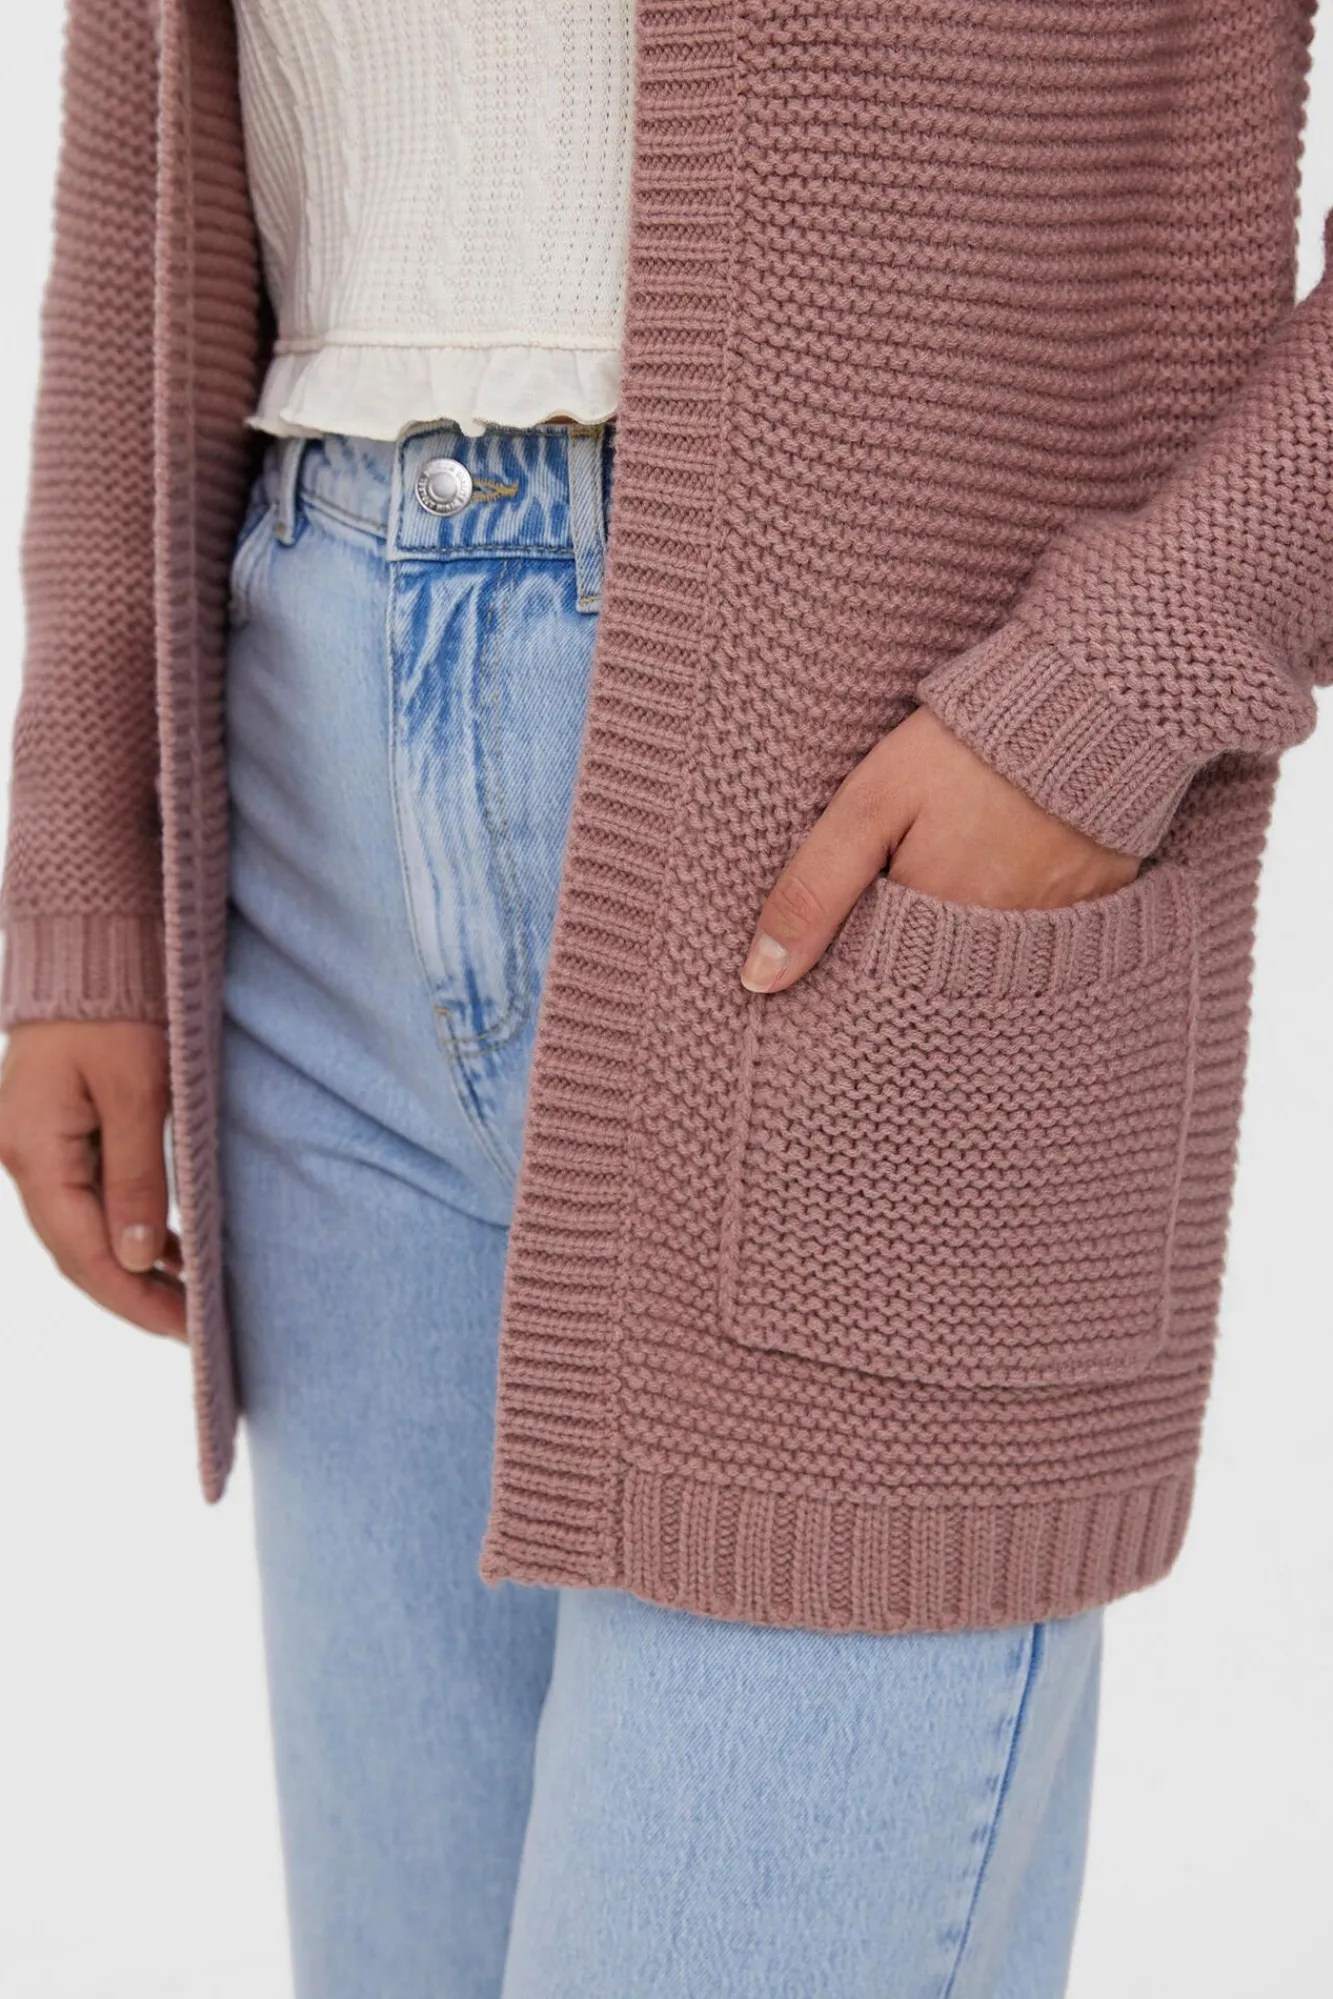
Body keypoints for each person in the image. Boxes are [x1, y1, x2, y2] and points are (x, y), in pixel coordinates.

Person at [1, 3, 1329, 1995]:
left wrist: (1138, 667)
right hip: (306, 802)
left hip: (860, 834)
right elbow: (143, 101)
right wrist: (85, 836)